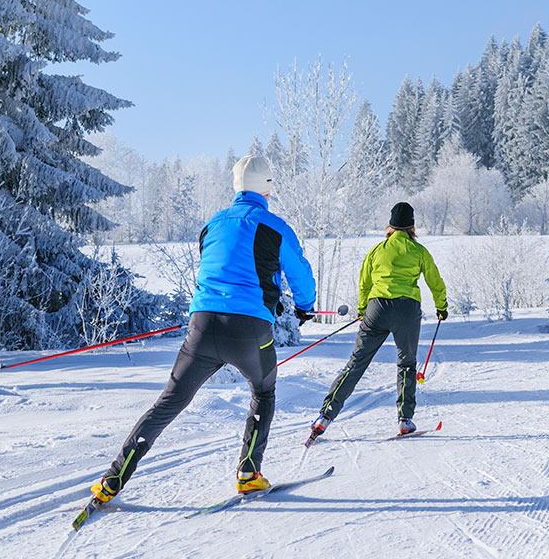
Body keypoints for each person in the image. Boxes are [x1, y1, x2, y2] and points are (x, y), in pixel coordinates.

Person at [90, 154, 316, 502]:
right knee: (264, 392)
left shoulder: (212, 224)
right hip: (249, 330)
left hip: (202, 325)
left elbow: (217, 265)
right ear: (267, 189)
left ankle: (113, 477)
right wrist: (304, 307)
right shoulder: (275, 227)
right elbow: (299, 275)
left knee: (169, 401)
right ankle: (248, 473)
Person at [310, 202, 447, 439]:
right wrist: (441, 307)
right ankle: (405, 419)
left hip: (377, 308)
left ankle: (325, 416)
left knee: (356, 363)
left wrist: (363, 309)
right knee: (406, 364)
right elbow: (435, 280)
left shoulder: (378, 250)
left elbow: (364, 282)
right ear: (412, 226)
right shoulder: (419, 251)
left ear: (391, 225)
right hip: (406, 309)